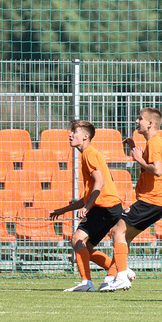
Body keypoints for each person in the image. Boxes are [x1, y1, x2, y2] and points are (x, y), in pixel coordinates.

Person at [50, 120, 128, 292]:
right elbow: (88, 195)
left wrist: (87, 208)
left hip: (103, 207)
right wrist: (62, 210)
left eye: (74, 131)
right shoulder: (89, 155)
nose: (70, 135)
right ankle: (120, 270)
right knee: (86, 248)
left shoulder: (89, 154)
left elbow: (99, 183)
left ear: (85, 136)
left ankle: (88, 282)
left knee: (77, 239)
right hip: (110, 206)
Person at [100, 108, 162, 291]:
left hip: (153, 199)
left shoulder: (155, 143)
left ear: (150, 124)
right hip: (158, 201)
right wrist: (134, 149)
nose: (137, 121)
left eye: (140, 118)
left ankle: (122, 276)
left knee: (117, 230)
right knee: (124, 236)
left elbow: (157, 170)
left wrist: (138, 159)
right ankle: (112, 277)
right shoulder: (153, 143)